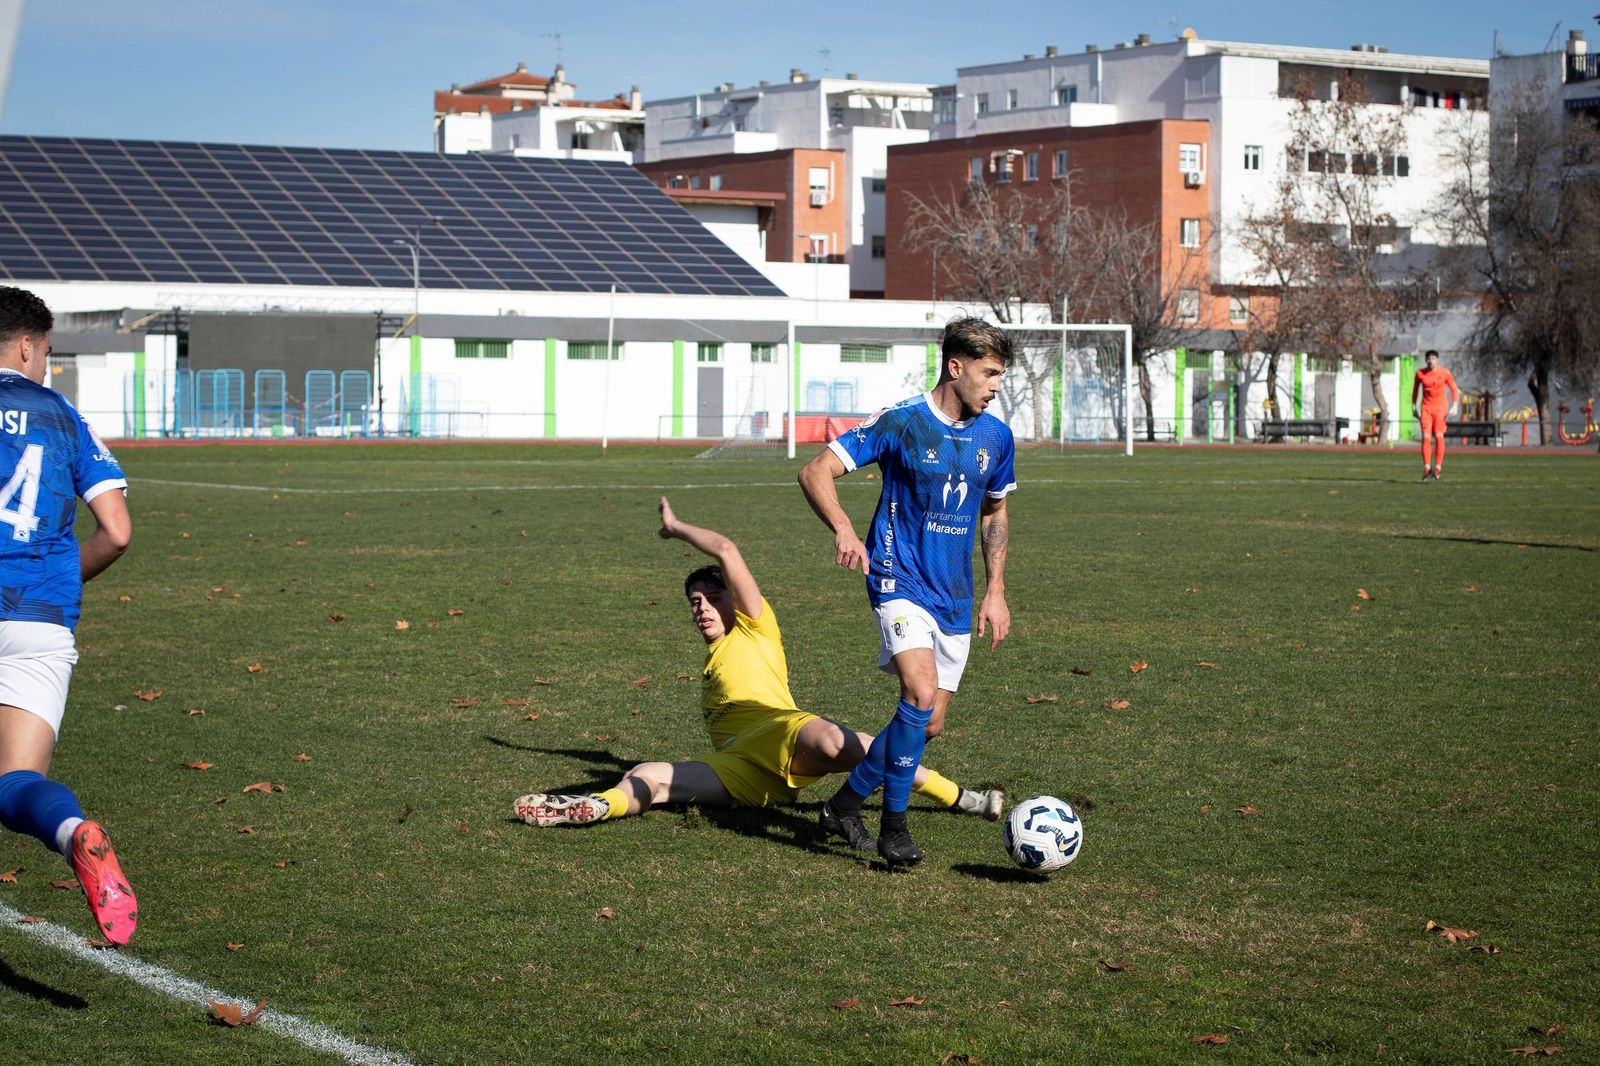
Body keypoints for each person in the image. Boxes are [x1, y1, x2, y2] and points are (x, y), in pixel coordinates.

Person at [512, 497, 1001, 840]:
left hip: (782, 731)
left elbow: (726, 549)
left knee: (846, 744)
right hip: (740, 767)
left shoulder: (754, 627)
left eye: (713, 597)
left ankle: (963, 798)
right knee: (648, 775)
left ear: (734, 600)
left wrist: (676, 529)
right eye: (695, 602)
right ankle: (597, 806)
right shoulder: (713, 656)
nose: (702, 608)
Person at [796, 316, 1017, 867]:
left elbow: (995, 512)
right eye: (990, 374)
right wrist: (845, 529)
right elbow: (816, 471)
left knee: (928, 723)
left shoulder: (996, 437)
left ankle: (843, 805)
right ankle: (893, 830)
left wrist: (996, 591)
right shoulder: (901, 422)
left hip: (954, 593)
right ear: (956, 367)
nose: (996, 386)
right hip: (898, 578)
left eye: (1001, 376)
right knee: (918, 695)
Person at [0, 286, 137, 945]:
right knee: (18, 781)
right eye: (49, 351)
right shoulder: (64, 415)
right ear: (28, 346)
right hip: (42, 620)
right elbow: (116, 532)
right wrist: (50, 581)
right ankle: (71, 830)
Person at [1411, 349, 1460, 482]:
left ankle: (1438, 468)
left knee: (1438, 436)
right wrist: (1413, 406)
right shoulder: (1420, 373)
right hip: (1426, 408)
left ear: (1437, 360)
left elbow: (1454, 388)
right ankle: (1427, 468)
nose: (1431, 361)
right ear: (1425, 360)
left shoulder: (1445, 373)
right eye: (1429, 358)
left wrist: (1455, 405)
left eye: (1433, 358)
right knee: (1426, 437)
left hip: (1440, 408)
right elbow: (1415, 390)